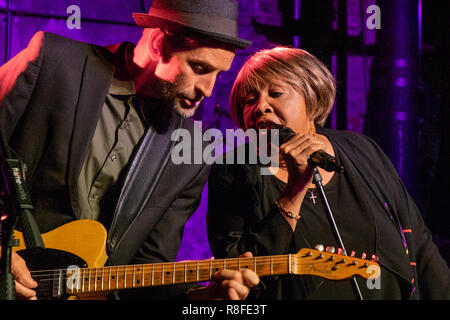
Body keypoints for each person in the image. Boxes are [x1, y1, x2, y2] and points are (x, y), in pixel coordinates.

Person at [0, 0, 259, 300]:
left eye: (219, 74)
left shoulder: (195, 152)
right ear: (160, 43)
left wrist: (202, 300)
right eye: (199, 68)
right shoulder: (54, 62)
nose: (209, 89)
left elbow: (149, 271)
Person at [207, 46, 450, 299]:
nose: (260, 107)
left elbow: (419, 244)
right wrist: (295, 190)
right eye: (249, 101)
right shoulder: (234, 170)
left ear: (312, 98)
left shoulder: (361, 149)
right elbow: (238, 271)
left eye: (276, 93)